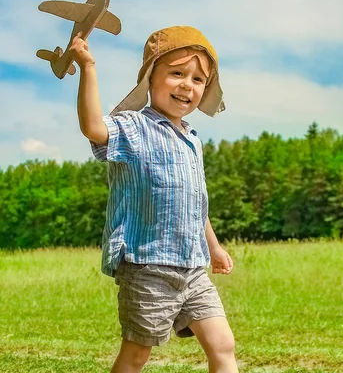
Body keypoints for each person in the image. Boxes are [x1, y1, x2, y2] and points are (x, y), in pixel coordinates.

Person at [70, 25, 238, 373]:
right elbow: (93, 127)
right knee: (137, 355)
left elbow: (195, 204)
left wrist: (215, 247)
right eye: (177, 73)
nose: (186, 85)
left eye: (197, 79)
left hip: (193, 267)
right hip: (148, 265)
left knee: (223, 345)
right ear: (150, 75)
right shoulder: (134, 127)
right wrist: (88, 68)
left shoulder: (193, 139)